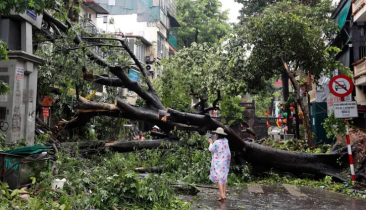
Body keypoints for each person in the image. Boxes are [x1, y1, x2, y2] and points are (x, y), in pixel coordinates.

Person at [208, 127, 231, 201]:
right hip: (225, 162)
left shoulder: (217, 142)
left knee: (219, 178)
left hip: (219, 162)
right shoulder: (226, 141)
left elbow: (211, 149)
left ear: (217, 135)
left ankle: (221, 195)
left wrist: (211, 143)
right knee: (224, 178)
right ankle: (223, 194)